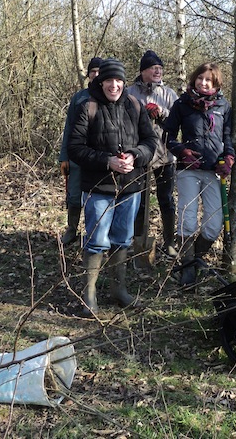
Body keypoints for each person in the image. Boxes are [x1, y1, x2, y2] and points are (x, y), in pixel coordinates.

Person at [68, 58, 158, 315]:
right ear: (101, 81)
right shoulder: (88, 107)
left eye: (119, 80)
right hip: (98, 187)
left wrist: (135, 155)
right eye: (109, 80)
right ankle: (90, 297)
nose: (114, 85)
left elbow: (150, 141)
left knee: (123, 239)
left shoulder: (134, 105)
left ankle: (119, 290)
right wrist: (107, 162)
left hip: (130, 187)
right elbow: (75, 148)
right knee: (96, 241)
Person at [162, 62, 235, 286]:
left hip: (214, 172)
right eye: (200, 78)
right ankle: (187, 268)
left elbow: (229, 136)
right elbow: (167, 136)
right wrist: (181, 151)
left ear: (216, 83)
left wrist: (229, 157)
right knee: (188, 220)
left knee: (214, 224)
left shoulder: (223, 106)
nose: (203, 83)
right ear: (194, 79)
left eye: (209, 80)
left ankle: (196, 259)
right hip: (188, 171)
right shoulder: (182, 104)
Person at [126, 50, 179, 260]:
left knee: (166, 199)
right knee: (137, 200)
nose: (157, 71)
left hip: (165, 156)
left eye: (160, 68)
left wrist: (162, 113)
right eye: (152, 68)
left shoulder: (169, 94)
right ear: (143, 71)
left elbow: (177, 124)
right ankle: (137, 240)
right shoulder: (129, 92)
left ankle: (169, 242)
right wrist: (141, 113)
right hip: (139, 155)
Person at [59, 57, 102, 245]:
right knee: (74, 195)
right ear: (88, 74)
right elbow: (68, 128)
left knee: (96, 197)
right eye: (93, 71)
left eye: (100, 71)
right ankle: (72, 228)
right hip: (77, 154)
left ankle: (94, 232)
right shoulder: (79, 98)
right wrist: (64, 157)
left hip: (98, 156)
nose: (96, 74)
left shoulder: (109, 96)